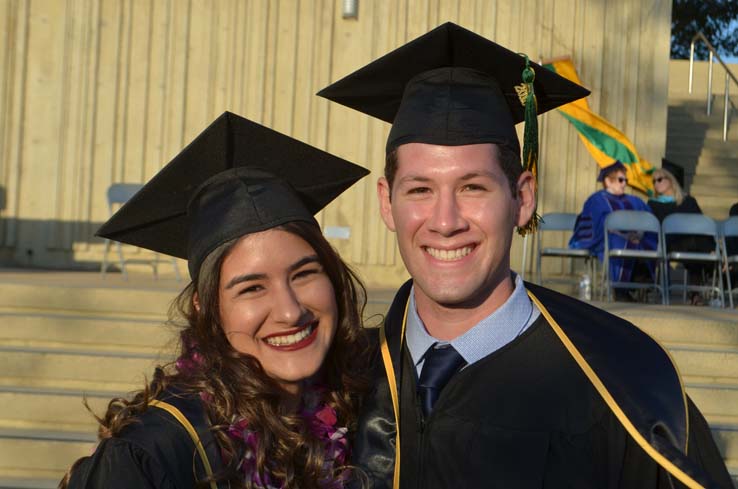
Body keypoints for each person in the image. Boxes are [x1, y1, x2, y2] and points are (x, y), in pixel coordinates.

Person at [318, 22, 732, 489]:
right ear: (386, 202)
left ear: (524, 198)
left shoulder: (622, 379)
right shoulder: (342, 384)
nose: (445, 219)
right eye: (420, 189)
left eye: (473, 187)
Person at [60, 112, 371, 489]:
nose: (291, 310)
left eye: (304, 274)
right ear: (204, 306)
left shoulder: (363, 414)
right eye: (252, 288)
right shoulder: (156, 453)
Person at [568, 160, 658, 300]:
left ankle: (637, 285)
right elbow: (598, 227)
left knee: (648, 242)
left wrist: (639, 234)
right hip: (606, 239)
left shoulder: (634, 200)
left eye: (626, 180)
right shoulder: (597, 200)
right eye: (621, 180)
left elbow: (649, 221)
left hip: (635, 239)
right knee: (617, 242)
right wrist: (625, 235)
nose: (624, 184)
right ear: (608, 181)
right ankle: (620, 289)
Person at [648, 167, 714, 305]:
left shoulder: (688, 201)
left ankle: (695, 292)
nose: (656, 184)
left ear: (671, 180)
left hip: (692, 243)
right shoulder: (653, 204)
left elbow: (702, 225)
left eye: (659, 179)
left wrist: (712, 245)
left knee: (695, 246)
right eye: (654, 181)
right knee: (695, 244)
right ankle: (699, 286)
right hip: (670, 243)